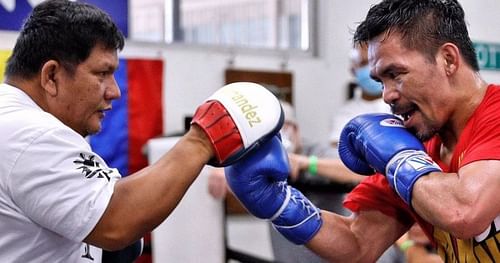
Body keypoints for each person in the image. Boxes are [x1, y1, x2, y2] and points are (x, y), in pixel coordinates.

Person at [0, 1, 284, 261]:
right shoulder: (33, 134)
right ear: (51, 76)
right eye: (102, 74)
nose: (115, 91)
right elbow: (116, 223)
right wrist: (203, 139)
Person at [223, 0, 499, 262]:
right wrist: (280, 202)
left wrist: (399, 160)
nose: (388, 95)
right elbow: (358, 244)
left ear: (448, 60)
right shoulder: (418, 147)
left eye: (396, 74)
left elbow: (464, 212)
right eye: (381, 81)